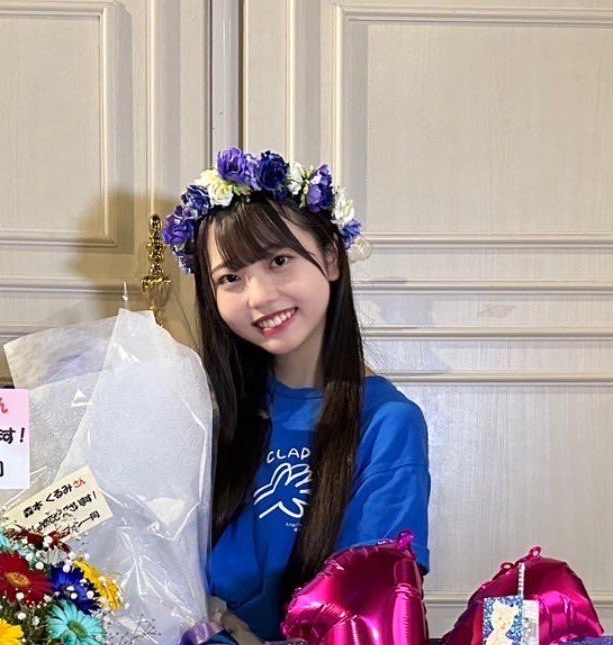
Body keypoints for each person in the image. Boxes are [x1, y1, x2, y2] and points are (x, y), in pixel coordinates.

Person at [162, 148, 432, 642]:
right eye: (231, 278)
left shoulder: (387, 424)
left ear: (330, 257)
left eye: (279, 260)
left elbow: (369, 615)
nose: (259, 297)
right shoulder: (208, 416)